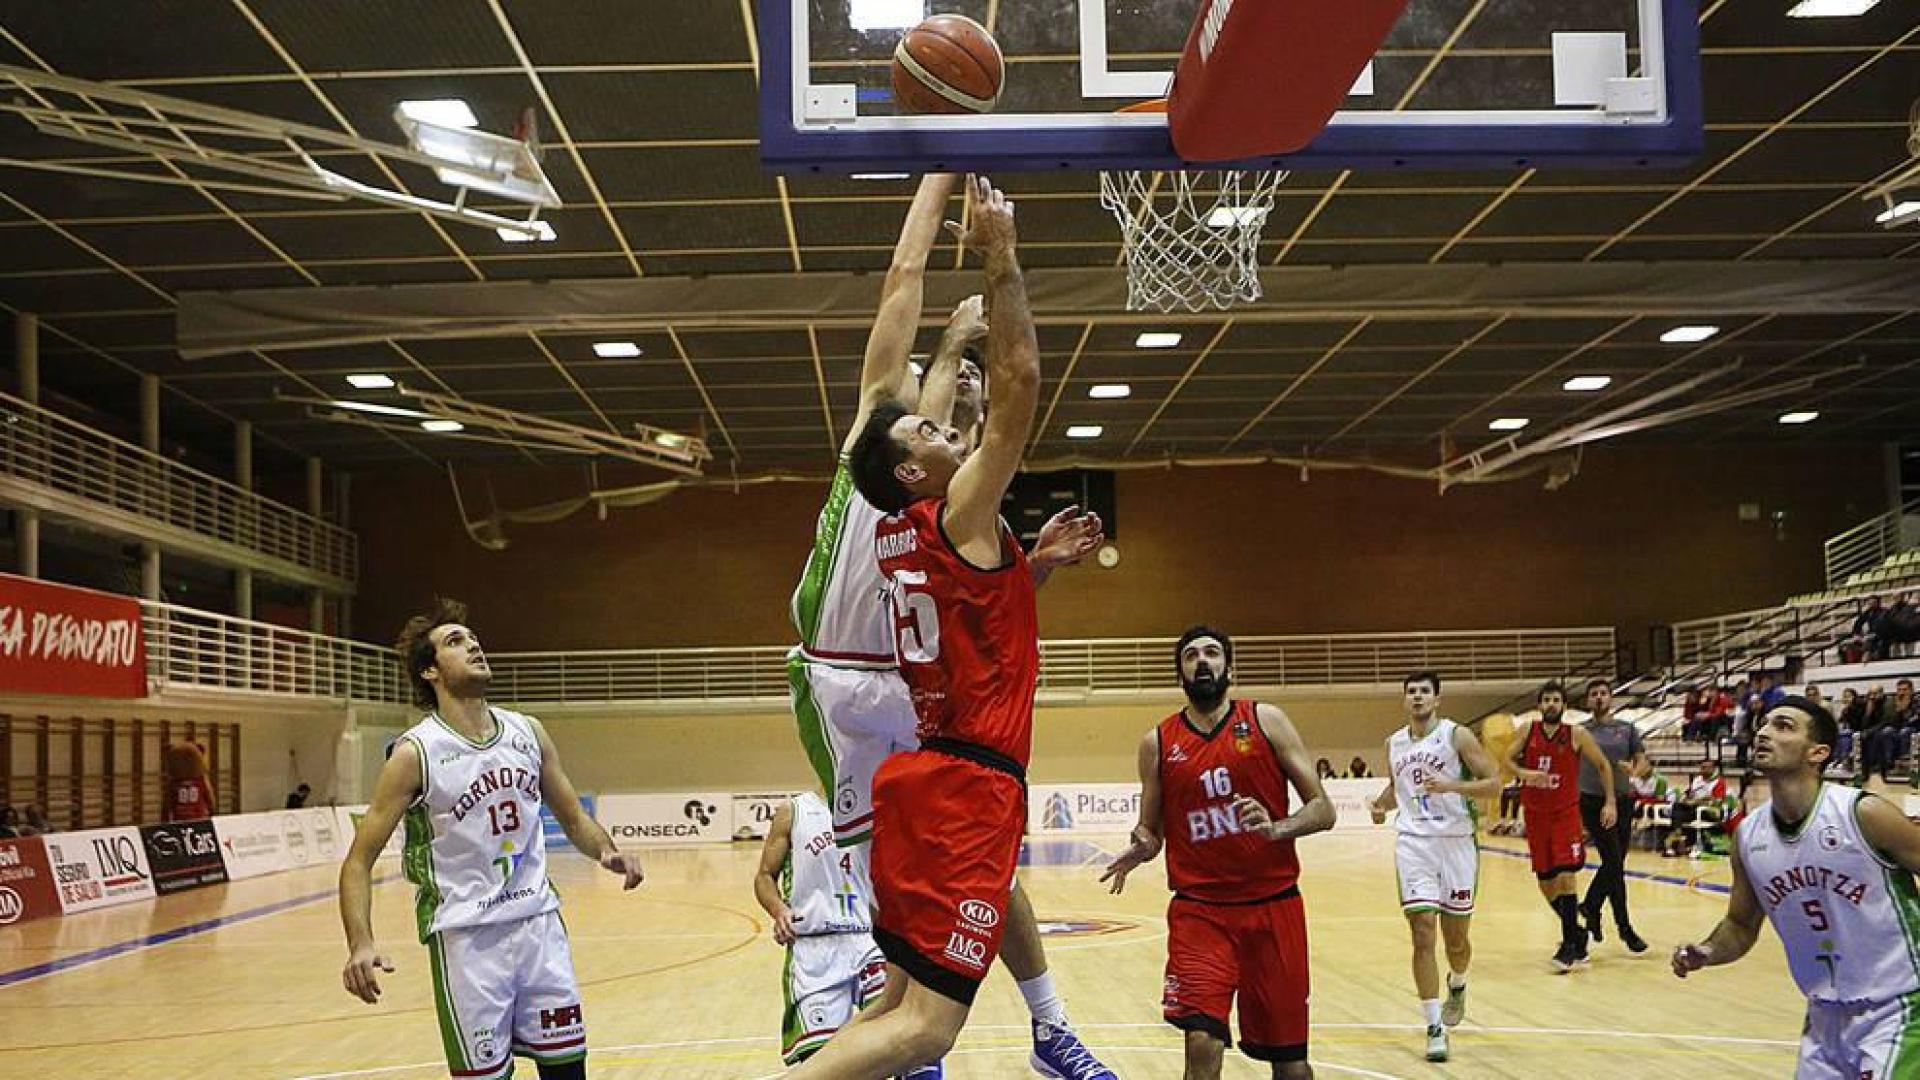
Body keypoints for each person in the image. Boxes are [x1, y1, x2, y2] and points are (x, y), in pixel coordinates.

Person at [782, 173, 1111, 1080]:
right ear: (908, 463)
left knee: (915, 983)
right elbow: (1004, 375)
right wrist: (975, 228)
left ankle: (1038, 1028)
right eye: (928, 429)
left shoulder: (919, 527)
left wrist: (1028, 568)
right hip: (881, 709)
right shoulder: (920, 487)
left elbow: (968, 615)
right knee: (925, 1022)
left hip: (925, 730)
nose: (941, 426)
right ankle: (904, 1042)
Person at [337, 598, 644, 1080]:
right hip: (467, 939)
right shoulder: (415, 754)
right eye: (455, 641)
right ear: (430, 672)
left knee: (568, 1070)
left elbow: (574, 819)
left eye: (473, 638)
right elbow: (358, 861)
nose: (474, 645)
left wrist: (608, 850)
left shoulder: (528, 731)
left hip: (539, 927)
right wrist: (361, 943)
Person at [1102, 626, 1335, 1079]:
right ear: (1180, 673)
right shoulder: (1158, 743)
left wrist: (1277, 829)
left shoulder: (1267, 720)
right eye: (1191, 656)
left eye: (1212, 653)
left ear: (1230, 667)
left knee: (1291, 1066)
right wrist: (1142, 845)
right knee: (1202, 1041)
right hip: (1200, 912)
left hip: (1274, 909)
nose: (1202, 662)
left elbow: (1323, 809)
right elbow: (1150, 829)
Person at [1673, 696, 1920, 1077]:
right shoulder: (1748, 836)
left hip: (1899, 1010)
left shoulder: (1863, 814)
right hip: (1823, 1019)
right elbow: (1740, 925)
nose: (1763, 733)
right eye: (1764, 724)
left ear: (1817, 753)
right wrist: (1706, 951)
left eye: (1783, 726)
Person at [1368, 671, 1503, 1063]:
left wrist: (1451, 787)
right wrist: (1381, 806)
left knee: (1456, 941)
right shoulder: (1393, 742)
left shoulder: (1456, 736)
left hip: (1457, 843)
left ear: (1437, 699)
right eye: (1411, 691)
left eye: (1424, 691)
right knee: (1422, 931)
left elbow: (1494, 783)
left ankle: (1457, 983)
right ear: (1404, 699)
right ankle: (1433, 1026)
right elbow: (1398, 788)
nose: (1417, 697)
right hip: (1414, 844)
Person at [754, 791, 885, 1065]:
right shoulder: (794, 811)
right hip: (814, 947)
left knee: (906, 1035)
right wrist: (779, 910)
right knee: (822, 1062)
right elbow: (765, 876)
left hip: (869, 940)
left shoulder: (878, 806)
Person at [1507, 681, 1615, 971]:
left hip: (1564, 814)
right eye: (1546, 700)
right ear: (1539, 705)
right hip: (1535, 814)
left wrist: (1610, 802)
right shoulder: (1527, 731)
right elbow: (1506, 760)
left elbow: (1603, 765)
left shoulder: (1576, 734)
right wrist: (1523, 773)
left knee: (1566, 875)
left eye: (1556, 700)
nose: (1551, 704)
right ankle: (1578, 933)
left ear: (1564, 705)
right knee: (1546, 883)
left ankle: (1568, 946)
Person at [1577, 679, 1651, 953]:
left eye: (1603, 693)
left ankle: (1591, 906)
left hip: (1623, 800)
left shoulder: (1626, 729)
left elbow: (1643, 761)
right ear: (1588, 700)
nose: (1599, 697)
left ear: (1610, 698)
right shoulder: (1580, 731)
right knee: (1614, 863)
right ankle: (1625, 928)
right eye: (1594, 694)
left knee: (1615, 862)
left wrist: (1635, 770)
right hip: (1593, 801)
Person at [1664, 760, 1731, 858]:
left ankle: (1677, 839)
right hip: (1694, 809)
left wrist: (1698, 801)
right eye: (1703, 767)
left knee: (1680, 814)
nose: (1705, 770)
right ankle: (1679, 834)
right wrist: (1685, 798)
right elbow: (1689, 793)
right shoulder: (1697, 780)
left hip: (1708, 811)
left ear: (1714, 769)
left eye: (1708, 767)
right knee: (1677, 805)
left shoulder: (1719, 782)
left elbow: (1717, 802)